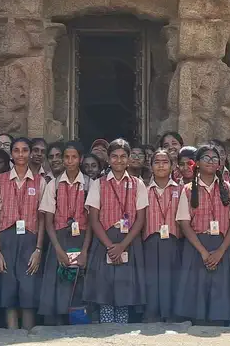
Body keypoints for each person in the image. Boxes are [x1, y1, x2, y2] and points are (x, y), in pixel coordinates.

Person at [173, 144, 230, 325]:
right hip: (197, 247)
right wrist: (203, 252)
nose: (211, 162)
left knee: (221, 297)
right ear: (196, 163)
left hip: (222, 245)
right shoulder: (188, 190)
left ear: (220, 164)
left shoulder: (228, 188)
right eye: (206, 158)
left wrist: (221, 251)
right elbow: (184, 224)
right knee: (198, 298)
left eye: (215, 159)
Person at [84, 139, 148, 324]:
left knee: (124, 290)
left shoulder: (138, 184)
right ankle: (106, 331)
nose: (119, 160)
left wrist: (122, 245)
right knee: (105, 289)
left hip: (129, 241)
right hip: (105, 241)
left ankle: (121, 333)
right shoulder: (99, 183)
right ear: (108, 159)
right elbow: (94, 219)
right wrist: (111, 246)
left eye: (123, 156)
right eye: (114, 156)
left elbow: (140, 219)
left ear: (128, 159)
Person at [0, 138, 46, 330]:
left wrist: (38, 249)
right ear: (12, 154)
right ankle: (12, 336)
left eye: (24, 150)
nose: (20, 154)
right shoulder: (1, 180)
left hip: (30, 240)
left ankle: (29, 335)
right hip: (6, 239)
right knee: (8, 289)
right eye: (16, 151)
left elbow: (42, 219)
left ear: (30, 153)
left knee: (28, 288)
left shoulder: (40, 181)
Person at [38, 142, 90, 324]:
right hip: (59, 240)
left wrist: (84, 251)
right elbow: (48, 221)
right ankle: (58, 325)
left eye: (74, 157)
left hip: (82, 239)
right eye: (66, 157)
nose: (69, 161)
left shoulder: (89, 184)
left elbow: (92, 222)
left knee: (79, 283)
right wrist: (58, 249)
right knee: (58, 283)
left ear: (80, 159)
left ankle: (79, 325)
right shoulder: (54, 185)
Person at [142, 148, 181, 323]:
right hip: (150, 239)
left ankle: (171, 314)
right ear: (151, 166)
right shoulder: (143, 189)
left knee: (171, 277)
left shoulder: (180, 190)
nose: (161, 165)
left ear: (172, 166)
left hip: (173, 239)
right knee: (151, 278)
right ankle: (152, 314)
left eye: (165, 162)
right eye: (156, 162)